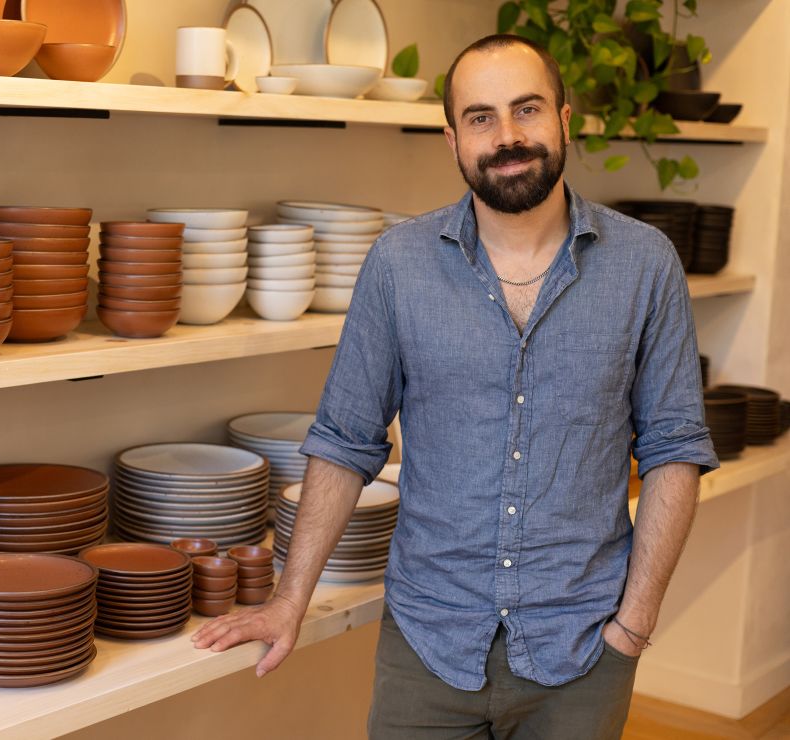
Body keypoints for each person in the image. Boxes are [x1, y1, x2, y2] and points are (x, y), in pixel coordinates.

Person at [192, 33, 719, 739]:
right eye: (481, 118)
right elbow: (345, 442)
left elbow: (674, 450)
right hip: (427, 646)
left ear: (564, 118)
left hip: (585, 649)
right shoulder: (398, 265)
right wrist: (290, 599)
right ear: (453, 139)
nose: (507, 137)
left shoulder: (645, 264)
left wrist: (636, 622)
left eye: (526, 109)